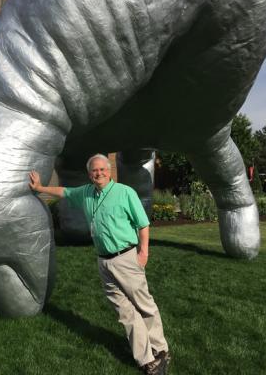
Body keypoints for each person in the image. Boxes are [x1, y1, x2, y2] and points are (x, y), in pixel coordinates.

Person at [29, 154, 170, 375]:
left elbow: (143, 224)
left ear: (109, 170)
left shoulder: (125, 193)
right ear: (89, 174)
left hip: (126, 258)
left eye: (103, 169)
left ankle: (160, 349)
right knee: (125, 313)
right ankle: (146, 360)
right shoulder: (86, 192)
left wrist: (144, 252)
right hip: (103, 262)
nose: (99, 173)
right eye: (95, 170)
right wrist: (40, 188)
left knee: (143, 305)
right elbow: (64, 191)